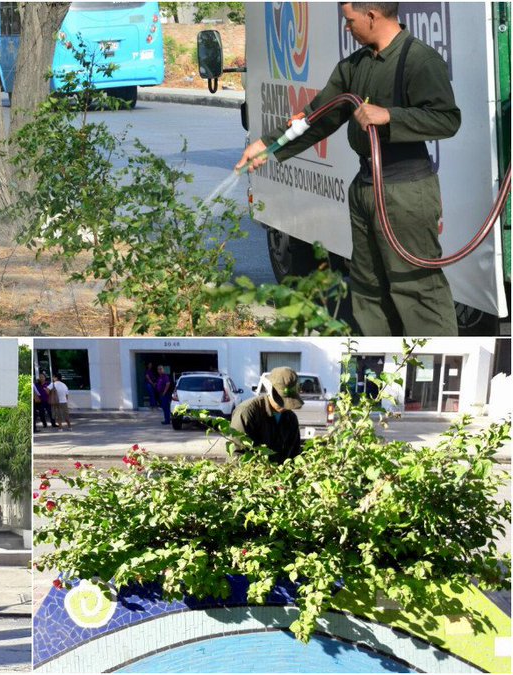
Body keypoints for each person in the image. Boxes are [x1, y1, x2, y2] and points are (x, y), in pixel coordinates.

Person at [236, 2, 461, 337]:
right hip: (365, 186)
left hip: (405, 188)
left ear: (372, 16)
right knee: (368, 286)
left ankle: (430, 356)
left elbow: (446, 119)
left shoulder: (418, 60)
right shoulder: (355, 65)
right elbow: (318, 117)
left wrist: (390, 116)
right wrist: (268, 146)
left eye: (350, 21)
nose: (347, 28)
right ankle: (379, 357)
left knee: (415, 288)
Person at [229, 367, 304, 463]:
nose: (285, 406)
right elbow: (237, 454)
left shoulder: (291, 418)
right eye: (282, 401)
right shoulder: (246, 412)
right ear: (270, 391)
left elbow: (294, 453)